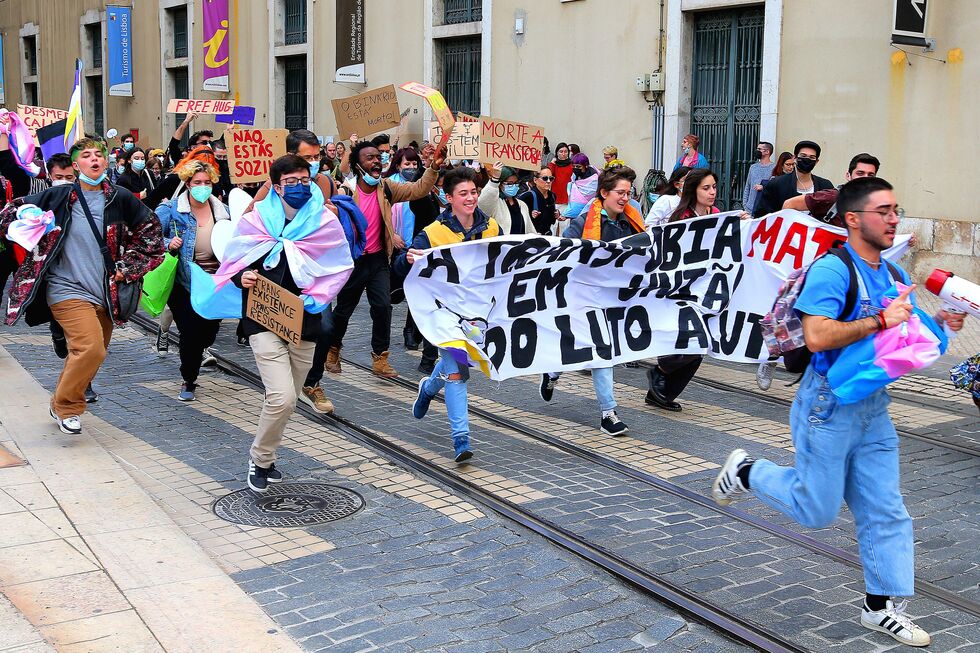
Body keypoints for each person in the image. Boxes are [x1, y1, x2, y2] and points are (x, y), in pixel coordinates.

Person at [713, 177, 966, 649]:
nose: (895, 219)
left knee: (886, 510)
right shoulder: (832, 270)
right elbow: (817, 337)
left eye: (897, 209)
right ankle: (747, 471)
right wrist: (877, 320)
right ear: (853, 219)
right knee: (816, 510)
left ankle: (881, 607)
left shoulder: (889, 275)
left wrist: (941, 324)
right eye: (884, 211)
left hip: (873, 410)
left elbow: (900, 338)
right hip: (827, 405)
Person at [0, 137, 164, 434]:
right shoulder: (58, 197)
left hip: (106, 292)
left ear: (106, 161)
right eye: (86, 155)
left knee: (90, 351)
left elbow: (153, 240)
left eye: (99, 154)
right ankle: (66, 406)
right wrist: (26, 216)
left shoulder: (121, 198)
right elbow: (8, 215)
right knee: (91, 348)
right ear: (76, 165)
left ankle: (60, 400)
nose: (94, 159)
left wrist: (127, 269)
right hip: (65, 289)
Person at [214, 154, 354, 493]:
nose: (299, 187)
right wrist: (242, 278)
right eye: (290, 182)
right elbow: (236, 260)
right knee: (281, 397)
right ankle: (260, 460)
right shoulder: (257, 218)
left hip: (305, 320)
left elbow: (339, 264)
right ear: (276, 186)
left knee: (286, 398)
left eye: (304, 180)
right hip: (262, 317)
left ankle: (267, 458)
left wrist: (317, 295)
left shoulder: (323, 220)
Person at [398, 167, 499, 462]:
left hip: (477, 313)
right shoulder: (432, 233)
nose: (470, 198)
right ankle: (461, 439)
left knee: (452, 367)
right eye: (463, 193)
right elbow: (401, 272)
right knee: (457, 371)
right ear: (448, 197)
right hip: (443, 313)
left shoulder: (491, 228)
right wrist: (408, 260)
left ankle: (428, 388)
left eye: (473, 192)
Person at [324, 141, 446, 378]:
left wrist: (433, 168)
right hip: (354, 260)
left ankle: (380, 358)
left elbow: (418, 189)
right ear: (358, 165)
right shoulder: (346, 192)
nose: (376, 161)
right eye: (369, 158)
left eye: (378, 157)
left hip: (379, 259)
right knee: (343, 310)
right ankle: (333, 348)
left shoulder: (386, 188)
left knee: (382, 307)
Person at [540, 167, 644, 436]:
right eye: (620, 192)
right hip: (584, 297)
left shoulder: (631, 221)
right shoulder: (585, 222)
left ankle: (552, 373)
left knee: (594, 350)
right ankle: (608, 413)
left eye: (628, 192)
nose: (625, 198)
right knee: (602, 352)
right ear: (604, 193)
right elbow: (562, 251)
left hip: (615, 298)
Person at [154, 160, 231, 401]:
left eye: (207, 182)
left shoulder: (223, 211)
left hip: (215, 281)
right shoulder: (171, 209)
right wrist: (169, 243)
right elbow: (151, 236)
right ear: (187, 184)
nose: (202, 186)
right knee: (190, 332)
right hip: (184, 282)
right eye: (197, 182)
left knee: (208, 332)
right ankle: (189, 379)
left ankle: (197, 352)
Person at [645, 169, 721, 412]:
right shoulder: (682, 217)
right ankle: (661, 370)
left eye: (714, 187)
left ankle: (661, 393)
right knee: (695, 343)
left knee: (698, 348)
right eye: (706, 188)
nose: (712, 192)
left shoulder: (718, 214)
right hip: (681, 289)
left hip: (707, 289)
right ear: (693, 191)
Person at [246, 130, 337, 210]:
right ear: (291, 156)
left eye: (317, 157)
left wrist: (336, 214)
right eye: (307, 157)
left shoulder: (327, 183)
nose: (313, 162)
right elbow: (249, 221)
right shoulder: (275, 185)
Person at [753, 140, 834, 217]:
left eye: (812, 157)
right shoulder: (776, 184)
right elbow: (762, 216)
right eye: (803, 156)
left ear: (816, 162)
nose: (807, 159)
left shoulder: (825, 186)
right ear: (794, 158)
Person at [478, 164, 534, 235]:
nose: (514, 186)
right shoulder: (494, 203)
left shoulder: (522, 205)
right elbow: (483, 204)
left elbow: (529, 230)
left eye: (516, 183)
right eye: (510, 183)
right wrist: (495, 180)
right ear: (500, 184)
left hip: (519, 245)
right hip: (500, 245)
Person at [518, 165, 558, 235]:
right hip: (532, 236)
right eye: (545, 178)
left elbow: (550, 220)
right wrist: (530, 215)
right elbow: (517, 217)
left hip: (548, 235)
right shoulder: (527, 196)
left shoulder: (552, 195)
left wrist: (556, 215)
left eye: (551, 178)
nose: (548, 181)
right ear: (535, 180)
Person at [741, 141, 774, 213]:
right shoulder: (753, 167)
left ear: (767, 151)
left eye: (759, 149)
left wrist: (763, 187)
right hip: (749, 209)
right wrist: (745, 205)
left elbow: (775, 188)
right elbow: (747, 186)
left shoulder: (774, 168)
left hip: (765, 210)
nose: (757, 151)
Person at [564, 154, 599, 218]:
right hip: (574, 214)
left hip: (589, 214)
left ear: (586, 166)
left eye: (578, 167)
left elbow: (587, 196)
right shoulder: (575, 175)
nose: (575, 169)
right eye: (574, 166)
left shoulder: (593, 179)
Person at [548, 142, 574, 224]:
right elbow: (548, 175)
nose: (563, 154)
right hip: (555, 197)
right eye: (561, 151)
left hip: (567, 199)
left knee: (564, 223)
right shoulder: (554, 164)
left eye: (565, 151)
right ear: (557, 153)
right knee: (553, 224)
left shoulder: (572, 165)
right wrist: (552, 163)